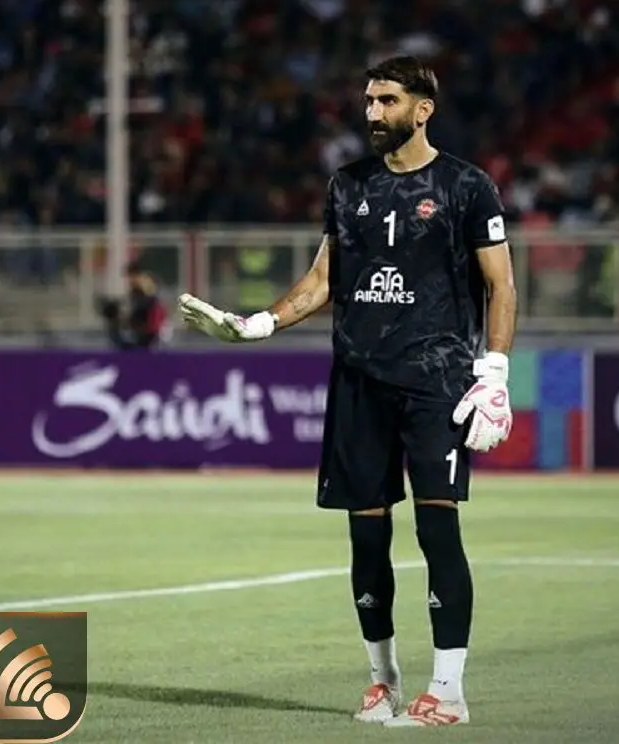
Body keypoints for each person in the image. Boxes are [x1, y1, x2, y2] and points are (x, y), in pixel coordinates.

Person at [179, 55, 516, 728]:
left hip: (437, 382)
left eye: (387, 100)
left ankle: (448, 692)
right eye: (369, 100)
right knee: (366, 538)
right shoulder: (348, 185)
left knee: (437, 528)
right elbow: (320, 282)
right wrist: (257, 324)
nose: (373, 112)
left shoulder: (466, 186)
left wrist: (496, 372)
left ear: (422, 109)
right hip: (360, 380)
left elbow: (500, 284)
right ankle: (382, 683)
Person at [98, 262, 168, 350]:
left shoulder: (147, 288)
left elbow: (147, 306)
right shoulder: (134, 292)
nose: (128, 280)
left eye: (130, 276)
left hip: (149, 330)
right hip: (139, 327)